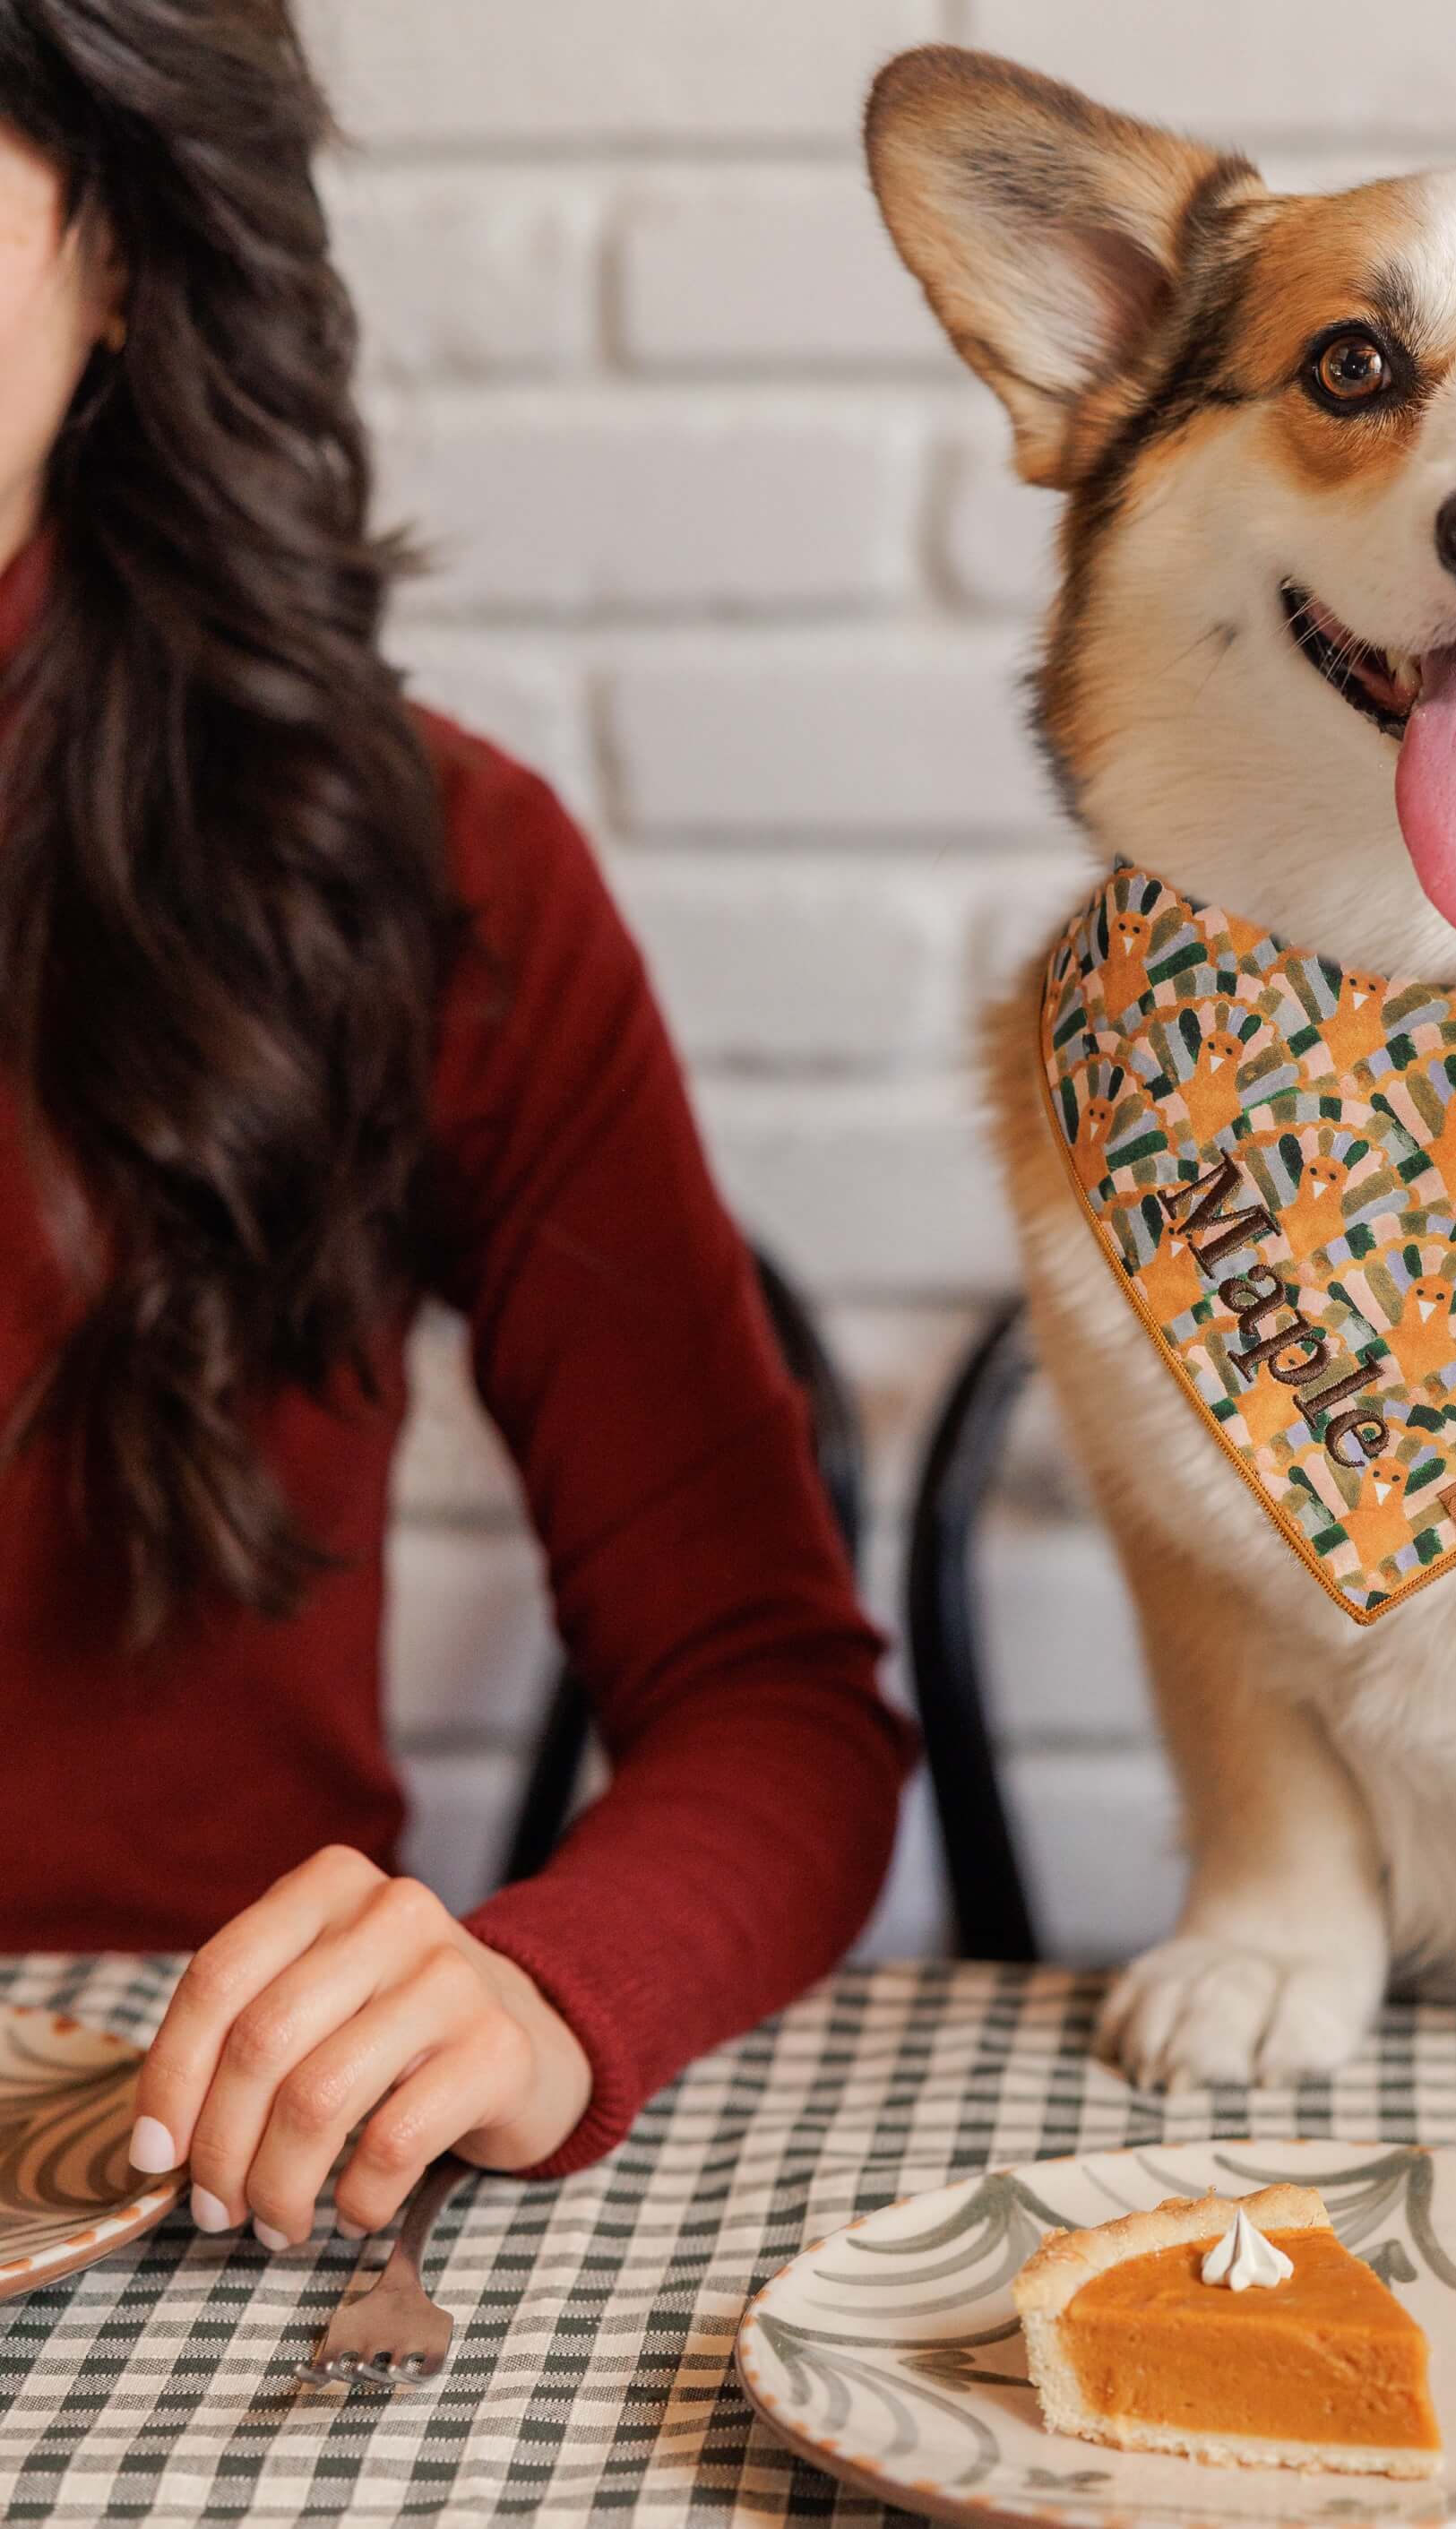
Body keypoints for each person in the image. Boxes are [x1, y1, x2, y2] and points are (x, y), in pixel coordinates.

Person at [0, 0, 915, 2249]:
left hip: (181, 2184)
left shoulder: (422, 873)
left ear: (121, 252)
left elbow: (770, 1699)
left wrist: (535, 1993)